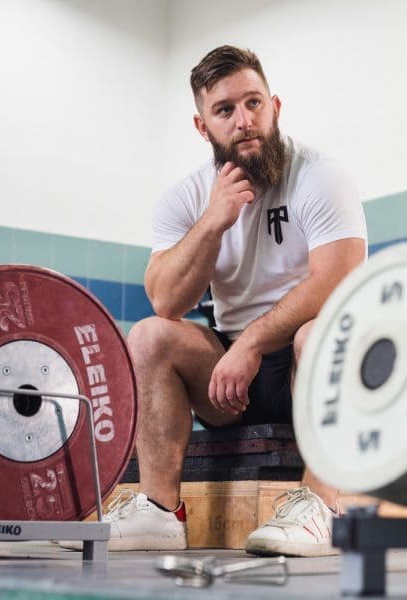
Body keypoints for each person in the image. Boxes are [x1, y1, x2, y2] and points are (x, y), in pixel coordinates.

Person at [62, 45, 367, 556]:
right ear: (203, 127)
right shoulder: (186, 198)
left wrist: (250, 343)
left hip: (307, 364)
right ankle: (159, 512)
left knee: (324, 331)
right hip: (230, 378)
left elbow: (336, 281)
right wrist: (213, 221)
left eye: (253, 104)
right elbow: (165, 300)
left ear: (275, 106)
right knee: (149, 335)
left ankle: (321, 507)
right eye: (225, 110)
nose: (244, 121)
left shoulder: (321, 175)